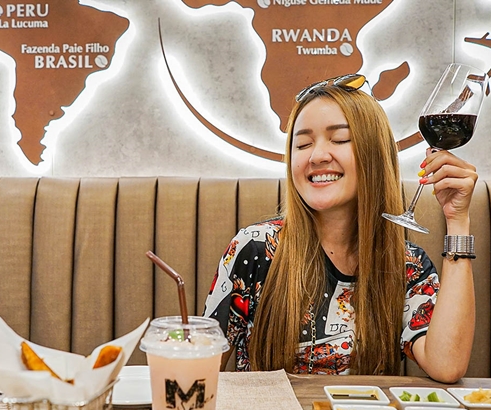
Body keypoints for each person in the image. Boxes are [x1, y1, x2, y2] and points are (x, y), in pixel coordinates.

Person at [203, 74, 476, 383]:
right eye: (303, 144)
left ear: (375, 154)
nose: (317, 155)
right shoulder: (256, 248)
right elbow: (200, 371)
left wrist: (457, 221)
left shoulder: (407, 265)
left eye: (340, 139)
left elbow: (447, 365)